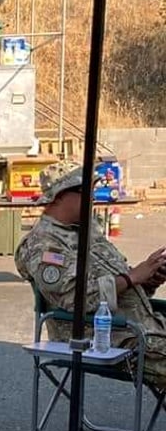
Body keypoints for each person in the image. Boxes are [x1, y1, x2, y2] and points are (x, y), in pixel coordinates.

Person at [15, 162, 166, 388]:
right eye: (84, 191)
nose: (92, 197)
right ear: (58, 197)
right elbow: (75, 299)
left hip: (142, 329)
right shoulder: (43, 244)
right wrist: (131, 277)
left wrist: (147, 280)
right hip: (102, 337)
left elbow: (118, 288)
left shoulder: (87, 231)